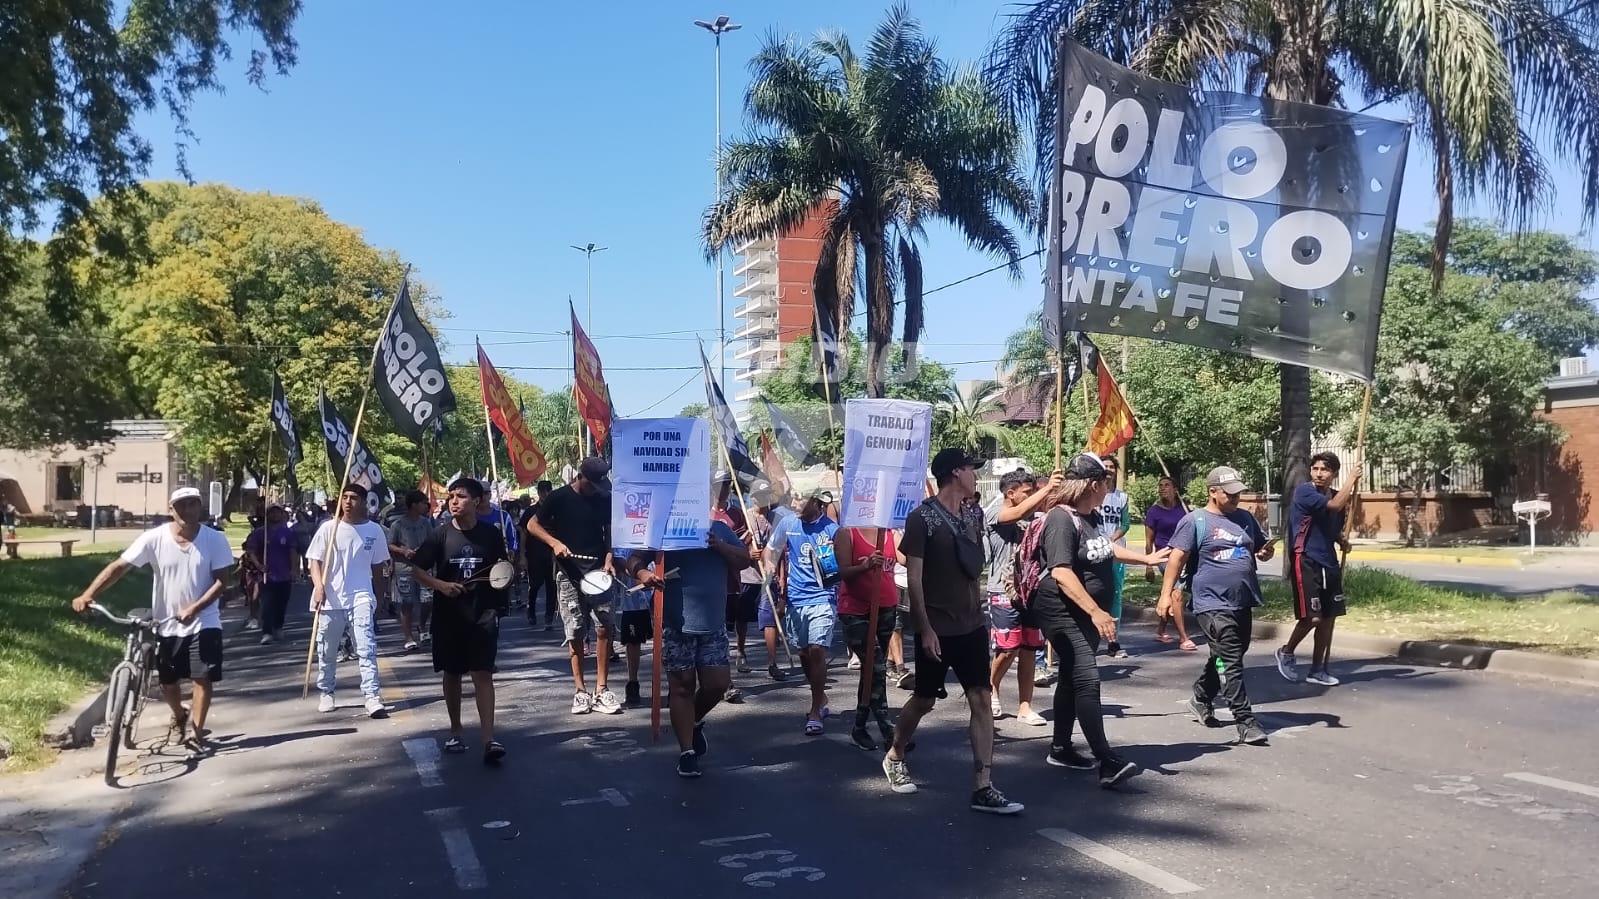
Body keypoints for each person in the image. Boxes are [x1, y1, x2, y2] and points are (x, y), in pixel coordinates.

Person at [883, 449, 1023, 815]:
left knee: (980, 697)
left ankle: (983, 785)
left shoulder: (973, 513)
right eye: (970, 470)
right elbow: (914, 578)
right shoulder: (922, 518)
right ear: (953, 473)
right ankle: (896, 754)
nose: (975, 475)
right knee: (926, 700)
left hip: (972, 624)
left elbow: (974, 564)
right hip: (937, 626)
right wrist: (924, 627)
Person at [1031, 453, 1168, 788]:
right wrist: (1095, 610)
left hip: (1085, 611)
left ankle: (1061, 747)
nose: (1109, 487)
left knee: (1070, 678)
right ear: (1094, 484)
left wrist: (1145, 558)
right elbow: (1061, 571)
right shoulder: (1060, 519)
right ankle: (1106, 761)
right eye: (1106, 481)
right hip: (1062, 610)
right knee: (1087, 679)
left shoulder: (1088, 517)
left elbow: (1105, 550)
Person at [70, 487, 233, 756]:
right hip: (166, 621)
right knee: (168, 683)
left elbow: (221, 582)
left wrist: (195, 608)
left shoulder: (214, 539)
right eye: (182, 505)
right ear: (171, 509)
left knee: (201, 677)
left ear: (199, 507)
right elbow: (119, 568)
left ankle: (195, 733)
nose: (188, 510)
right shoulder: (154, 538)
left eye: (193, 504)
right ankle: (179, 716)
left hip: (204, 620)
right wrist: (88, 594)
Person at [625, 511, 750, 777]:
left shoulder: (718, 529)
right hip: (675, 624)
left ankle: (692, 721)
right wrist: (644, 573)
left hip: (713, 624)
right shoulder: (663, 529)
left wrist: (719, 545)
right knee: (681, 687)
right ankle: (686, 752)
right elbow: (633, 559)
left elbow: (744, 559)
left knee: (717, 684)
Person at [1159, 467, 1273, 745]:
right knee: (1230, 659)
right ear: (1213, 491)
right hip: (1211, 602)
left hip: (1242, 600)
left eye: (1238, 493)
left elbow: (1258, 548)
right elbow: (1176, 559)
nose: (1236, 498)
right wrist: (1165, 595)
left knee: (1228, 654)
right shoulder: (1195, 521)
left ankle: (1200, 696)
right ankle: (1245, 720)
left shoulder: (1245, 518)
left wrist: (1266, 551)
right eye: (1230, 493)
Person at [409, 478, 509, 764]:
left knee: (482, 673)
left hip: (483, 614)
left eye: (460, 496)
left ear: (477, 501)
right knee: (452, 674)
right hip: (448, 615)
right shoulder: (439, 535)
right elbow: (416, 569)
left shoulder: (491, 534)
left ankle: (489, 739)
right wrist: (440, 585)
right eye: (451, 496)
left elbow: (501, 570)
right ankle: (455, 730)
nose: (453, 501)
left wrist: (507, 578)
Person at [528, 456, 621, 715]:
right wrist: (554, 543)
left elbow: (609, 529)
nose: (596, 489)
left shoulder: (604, 499)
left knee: (605, 627)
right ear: (580, 477)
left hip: (598, 572)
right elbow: (532, 525)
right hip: (568, 573)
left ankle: (601, 689)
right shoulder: (558, 498)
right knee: (576, 631)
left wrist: (610, 555)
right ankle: (580, 690)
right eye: (592, 484)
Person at [306, 483, 391, 718]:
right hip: (331, 599)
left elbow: (379, 568)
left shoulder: (375, 531)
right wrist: (319, 586)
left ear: (364, 502)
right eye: (345, 497)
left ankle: (372, 696)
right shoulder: (328, 528)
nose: (348, 502)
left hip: (361, 596)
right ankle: (327, 691)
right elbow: (315, 561)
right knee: (327, 649)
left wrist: (380, 597)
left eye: (353, 498)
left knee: (366, 647)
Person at [1277, 452, 1361, 686]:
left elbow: (1331, 524)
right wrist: (1352, 479)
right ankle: (1286, 651)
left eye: (1324, 470)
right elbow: (1333, 506)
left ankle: (1317, 670)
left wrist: (1341, 540)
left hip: (1328, 560)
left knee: (1328, 618)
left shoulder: (1337, 496)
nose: (1319, 474)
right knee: (1312, 618)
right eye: (1315, 469)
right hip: (1306, 558)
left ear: (1333, 473)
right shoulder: (1305, 492)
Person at [986, 468, 1062, 726]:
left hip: (1032, 591)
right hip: (1003, 591)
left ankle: (1025, 706)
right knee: (1008, 648)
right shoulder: (996, 512)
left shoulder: (1035, 517)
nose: (1034, 497)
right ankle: (991, 687)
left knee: (1030, 647)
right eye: (1028, 492)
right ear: (1011, 493)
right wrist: (1047, 488)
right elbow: (1015, 514)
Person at [770, 488, 841, 735]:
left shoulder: (832, 530)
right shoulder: (787, 524)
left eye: (802, 498)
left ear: (816, 502)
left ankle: (814, 711)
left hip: (823, 597)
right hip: (796, 601)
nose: (796, 503)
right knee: (803, 653)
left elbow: (840, 567)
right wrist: (766, 565)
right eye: (795, 498)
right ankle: (820, 699)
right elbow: (772, 552)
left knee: (817, 649)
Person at [834, 520, 899, 751]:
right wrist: (866, 565)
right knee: (877, 666)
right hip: (856, 611)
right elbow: (842, 572)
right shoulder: (847, 533)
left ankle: (859, 727)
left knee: (871, 670)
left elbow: (906, 558)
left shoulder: (889, 532)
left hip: (886, 607)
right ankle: (889, 731)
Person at [1144, 476, 1197, 651]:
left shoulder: (1183, 508)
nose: (1162, 488)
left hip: (1184, 556)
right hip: (1164, 557)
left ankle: (1161, 629)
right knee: (1176, 593)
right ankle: (1183, 637)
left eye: (1167, 485)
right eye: (1160, 486)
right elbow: (1148, 542)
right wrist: (1149, 565)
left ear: (1175, 489)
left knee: (1172, 594)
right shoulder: (1154, 512)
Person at [751, 487, 795, 682]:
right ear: (753, 498)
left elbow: (781, 550)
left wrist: (783, 577)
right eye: (760, 496)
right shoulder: (746, 517)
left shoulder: (777, 518)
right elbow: (737, 543)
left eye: (766, 495)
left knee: (771, 618)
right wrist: (748, 551)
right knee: (740, 620)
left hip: (770, 576)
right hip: (748, 575)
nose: (764, 499)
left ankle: (772, 663)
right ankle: (741, 653)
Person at [387, 490, 434, 652]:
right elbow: (390, 544)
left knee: (427, 600)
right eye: (422, 502)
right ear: (414, 505)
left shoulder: (426, 523)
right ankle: (408, 637)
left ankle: (422, 626)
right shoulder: (397, 525)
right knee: (406, 603)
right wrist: (404, 551)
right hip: (404, 568)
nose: (425, 505)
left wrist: (425, 549)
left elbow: (432, 540)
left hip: (423, 567)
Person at [243, 505, 298, 645]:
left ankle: (278, 626)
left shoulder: (288, 533)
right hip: (266, 576)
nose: (275, 515)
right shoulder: (260, 533)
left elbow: (293, 552)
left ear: (282, 515)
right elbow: (251, 551)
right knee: (267, 604)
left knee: (282, 604)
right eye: (272, 513)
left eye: (277, 513)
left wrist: (293, 569)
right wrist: (258, 565)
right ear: (268, 515)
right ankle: (267, 632)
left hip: (284, 575)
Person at [1098, 456, 1131, 659]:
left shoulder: (1122, 497)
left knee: (1116, 595)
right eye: (1105, 467)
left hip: (1116, 551)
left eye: (1112, 467)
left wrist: (1112, 538)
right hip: (1094, 550)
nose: (1109, 470)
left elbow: (1125, 523)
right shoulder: (1093, 494)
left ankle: (1113, 641)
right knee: (1093, 591)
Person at [520, 480, 558, 629]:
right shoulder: (530, 512)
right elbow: (523, 532)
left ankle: (549, 617)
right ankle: (531, 611)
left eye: (548, 491)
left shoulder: (556, 510)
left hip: (552, 554)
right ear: (539, 493)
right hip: (535, 553)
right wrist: (522, 554)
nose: (545, 494)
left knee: (552, 587)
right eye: (542, 491)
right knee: (534, 585)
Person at [615, 549, 652, 708]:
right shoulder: (623, 527)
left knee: (667, 637)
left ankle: (673, 683)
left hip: (661, 591)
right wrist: (638, 575)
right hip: (632, 598)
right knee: (633, 641)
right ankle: (633, 683)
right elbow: (618, 558)